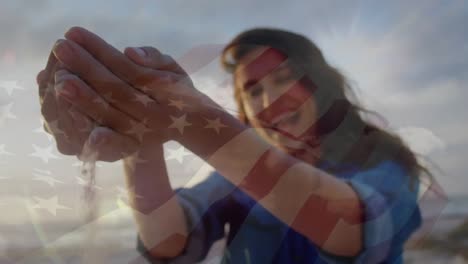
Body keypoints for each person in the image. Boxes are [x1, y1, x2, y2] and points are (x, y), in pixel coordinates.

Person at [37, 27, 424, 263]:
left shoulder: (385, 160)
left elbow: (354, 225)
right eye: (253, 90)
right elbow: (169, 243)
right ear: (243, 110)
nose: (270, 101)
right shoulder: (232, 177)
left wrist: (192, 120)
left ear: (321, 82)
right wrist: (141, 138)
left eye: (285, 78)